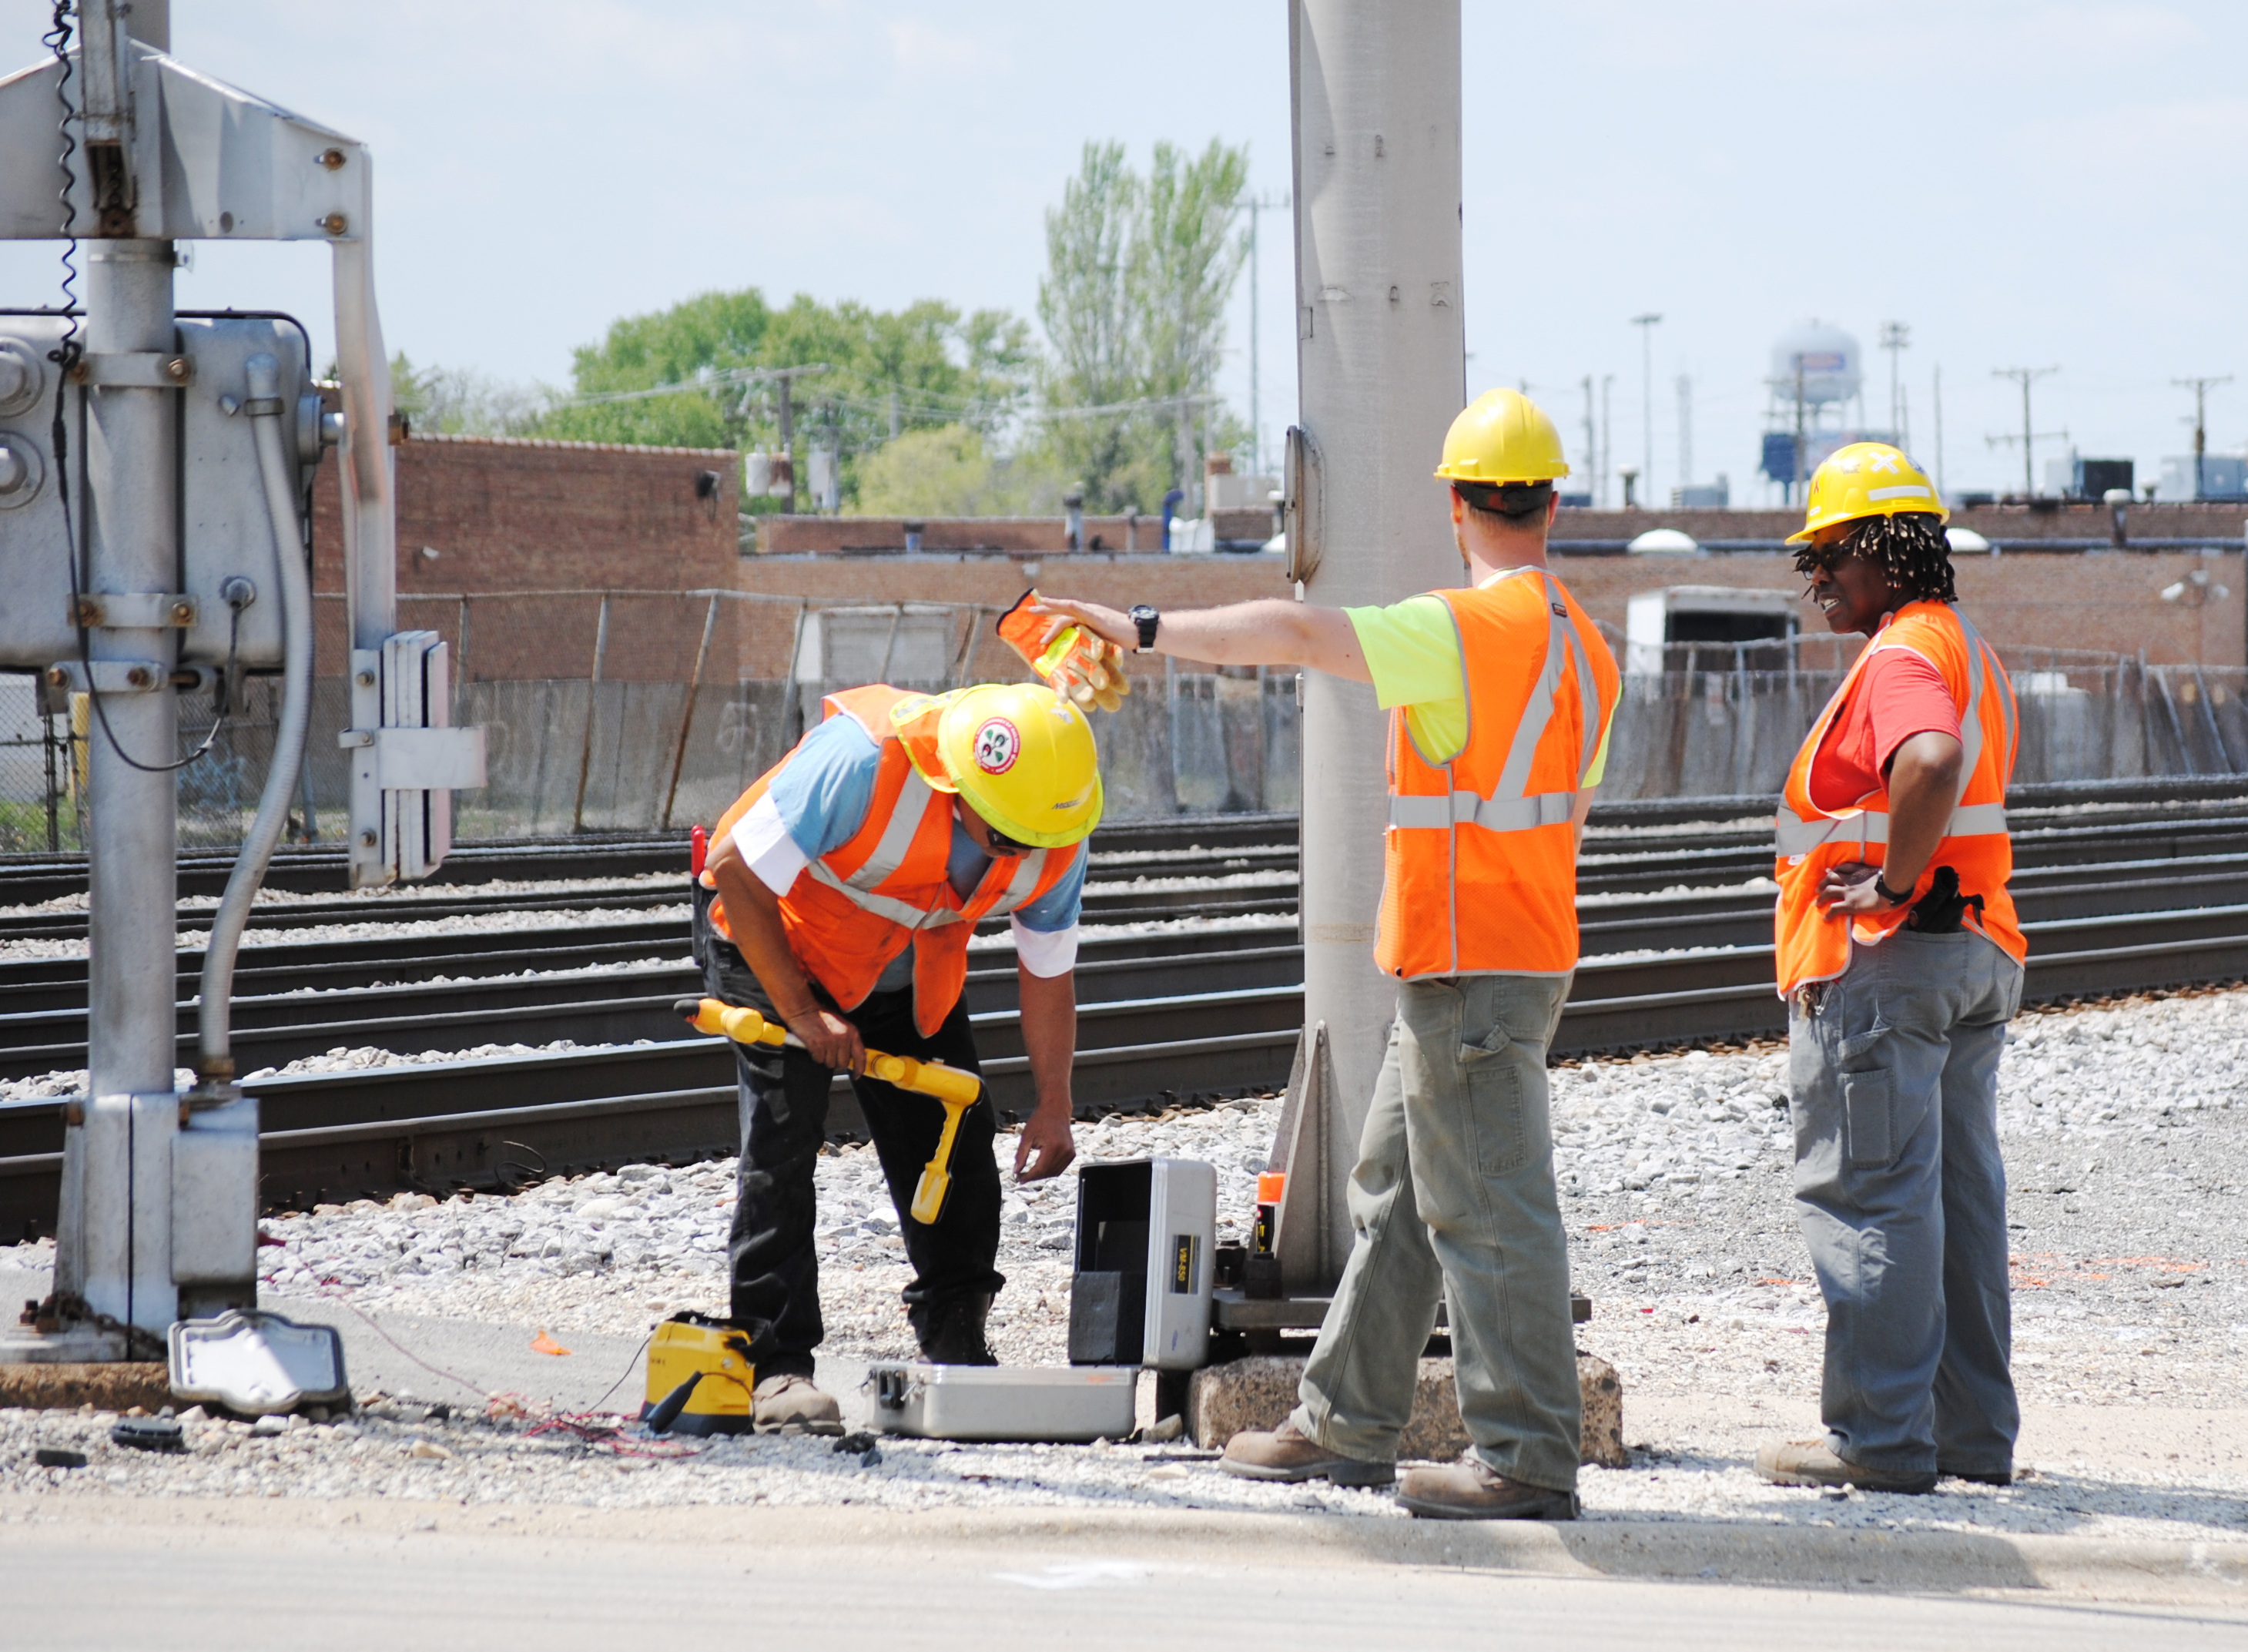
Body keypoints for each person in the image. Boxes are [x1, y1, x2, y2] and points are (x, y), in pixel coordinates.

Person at [1037, 388, 1618, 1520]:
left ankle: (1527, 1456)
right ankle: (1343, 1421)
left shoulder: (1458, 630)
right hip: (1511, 960)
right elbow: (1569, 819)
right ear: (1552, 505)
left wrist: (1140, 628)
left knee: (1489, 1210)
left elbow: (1299, 633)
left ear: (1456, 506)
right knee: (1397, 1195)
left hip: (1466, 969)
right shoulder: (1588, 652)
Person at [694, 680, 1099, 1433]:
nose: (1023, 853)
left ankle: (956, 1342)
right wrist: (802, 1012)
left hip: (902, 964)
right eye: (1005, 837)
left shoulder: (1057, 825)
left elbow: (1048, 973)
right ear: (958, 784)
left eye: (1035, 840)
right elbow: (736, 868)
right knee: (783, 1143)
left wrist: (1055, 1102)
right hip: (774, 937)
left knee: (956, 1135)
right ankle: (776, 1365)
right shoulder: (863, 760)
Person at [1754, 443, 2026, 1494]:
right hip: (1972, 954)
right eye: (1810, 560)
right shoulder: (1965, 647)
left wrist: (1890, 887)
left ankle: (1877, 1438)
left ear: (1889, 552)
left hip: (1889, 964)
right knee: (1955, 1198)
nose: (1816, 577)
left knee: (1872, 1195)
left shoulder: (1901, 657)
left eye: (1830, 555)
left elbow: (1929, 759)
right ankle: (1969, 1435)